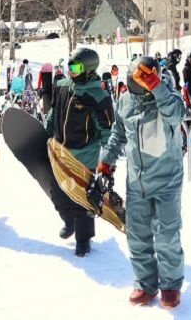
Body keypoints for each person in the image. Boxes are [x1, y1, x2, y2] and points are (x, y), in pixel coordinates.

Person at [97, 56, 186, 308]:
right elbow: (117, 133)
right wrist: (107, 160)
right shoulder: (126, 101)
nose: (138, 92)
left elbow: (177, 116)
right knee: (137, 235)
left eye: (143, 87)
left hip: (167, 179)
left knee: (167, 235)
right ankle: (145, 284)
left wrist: (157, 87)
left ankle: (170, 285)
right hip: (137, 181)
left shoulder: (169, 96)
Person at [45, 47, 113, 257]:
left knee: (82, 200)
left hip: (84, 155)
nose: (71, 71)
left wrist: (107, 161)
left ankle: (83, 239)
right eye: (70, 66)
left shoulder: (98, 97)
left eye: (76, 67)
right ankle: (69, 222)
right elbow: (53, 112)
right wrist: (46, 133)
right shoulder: (63, 86)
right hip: (60, 151)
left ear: (89, 70)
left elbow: (107, 131)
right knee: (57, 193)